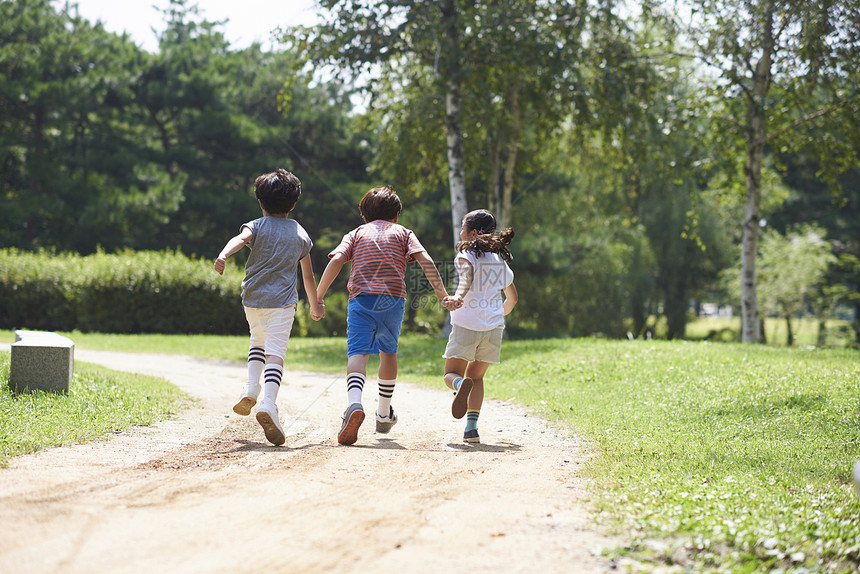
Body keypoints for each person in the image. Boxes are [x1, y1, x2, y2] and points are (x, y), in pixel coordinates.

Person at [316, 185, 454, 446]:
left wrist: (318, 297)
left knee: (357, 354)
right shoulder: (404, 233)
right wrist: (442, 294)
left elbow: (336, 261)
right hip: (392, 300)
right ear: (397, 216)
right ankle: (383, 412)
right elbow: (426, 260)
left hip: (360, 300)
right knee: (388, 353)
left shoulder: (356, 233)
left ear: (365, 216)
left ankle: (354, 405)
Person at [214, 168, 323, 446]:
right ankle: (269, 404)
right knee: (276, 353)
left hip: (252, 300)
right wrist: (315, 304)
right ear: (294, 203)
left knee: (257, 342)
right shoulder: (300, 232)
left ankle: (250, 387)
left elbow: (240, 240)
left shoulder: (256, 225)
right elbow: (307, 275)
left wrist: (224, 254)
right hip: (283, 303)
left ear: (260, 202)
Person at [443, 209, 518, 444]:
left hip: (467, 324)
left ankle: (458, 384)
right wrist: (497, 314)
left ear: (473, 233)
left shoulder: (465, 255)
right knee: (476, 378)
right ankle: (471, 430)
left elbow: (467, 277)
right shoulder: (499, 260)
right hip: (494, 328)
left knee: (451, 373)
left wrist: (458, 297)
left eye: (462, 228)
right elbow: (513, 299)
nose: (460, 232)